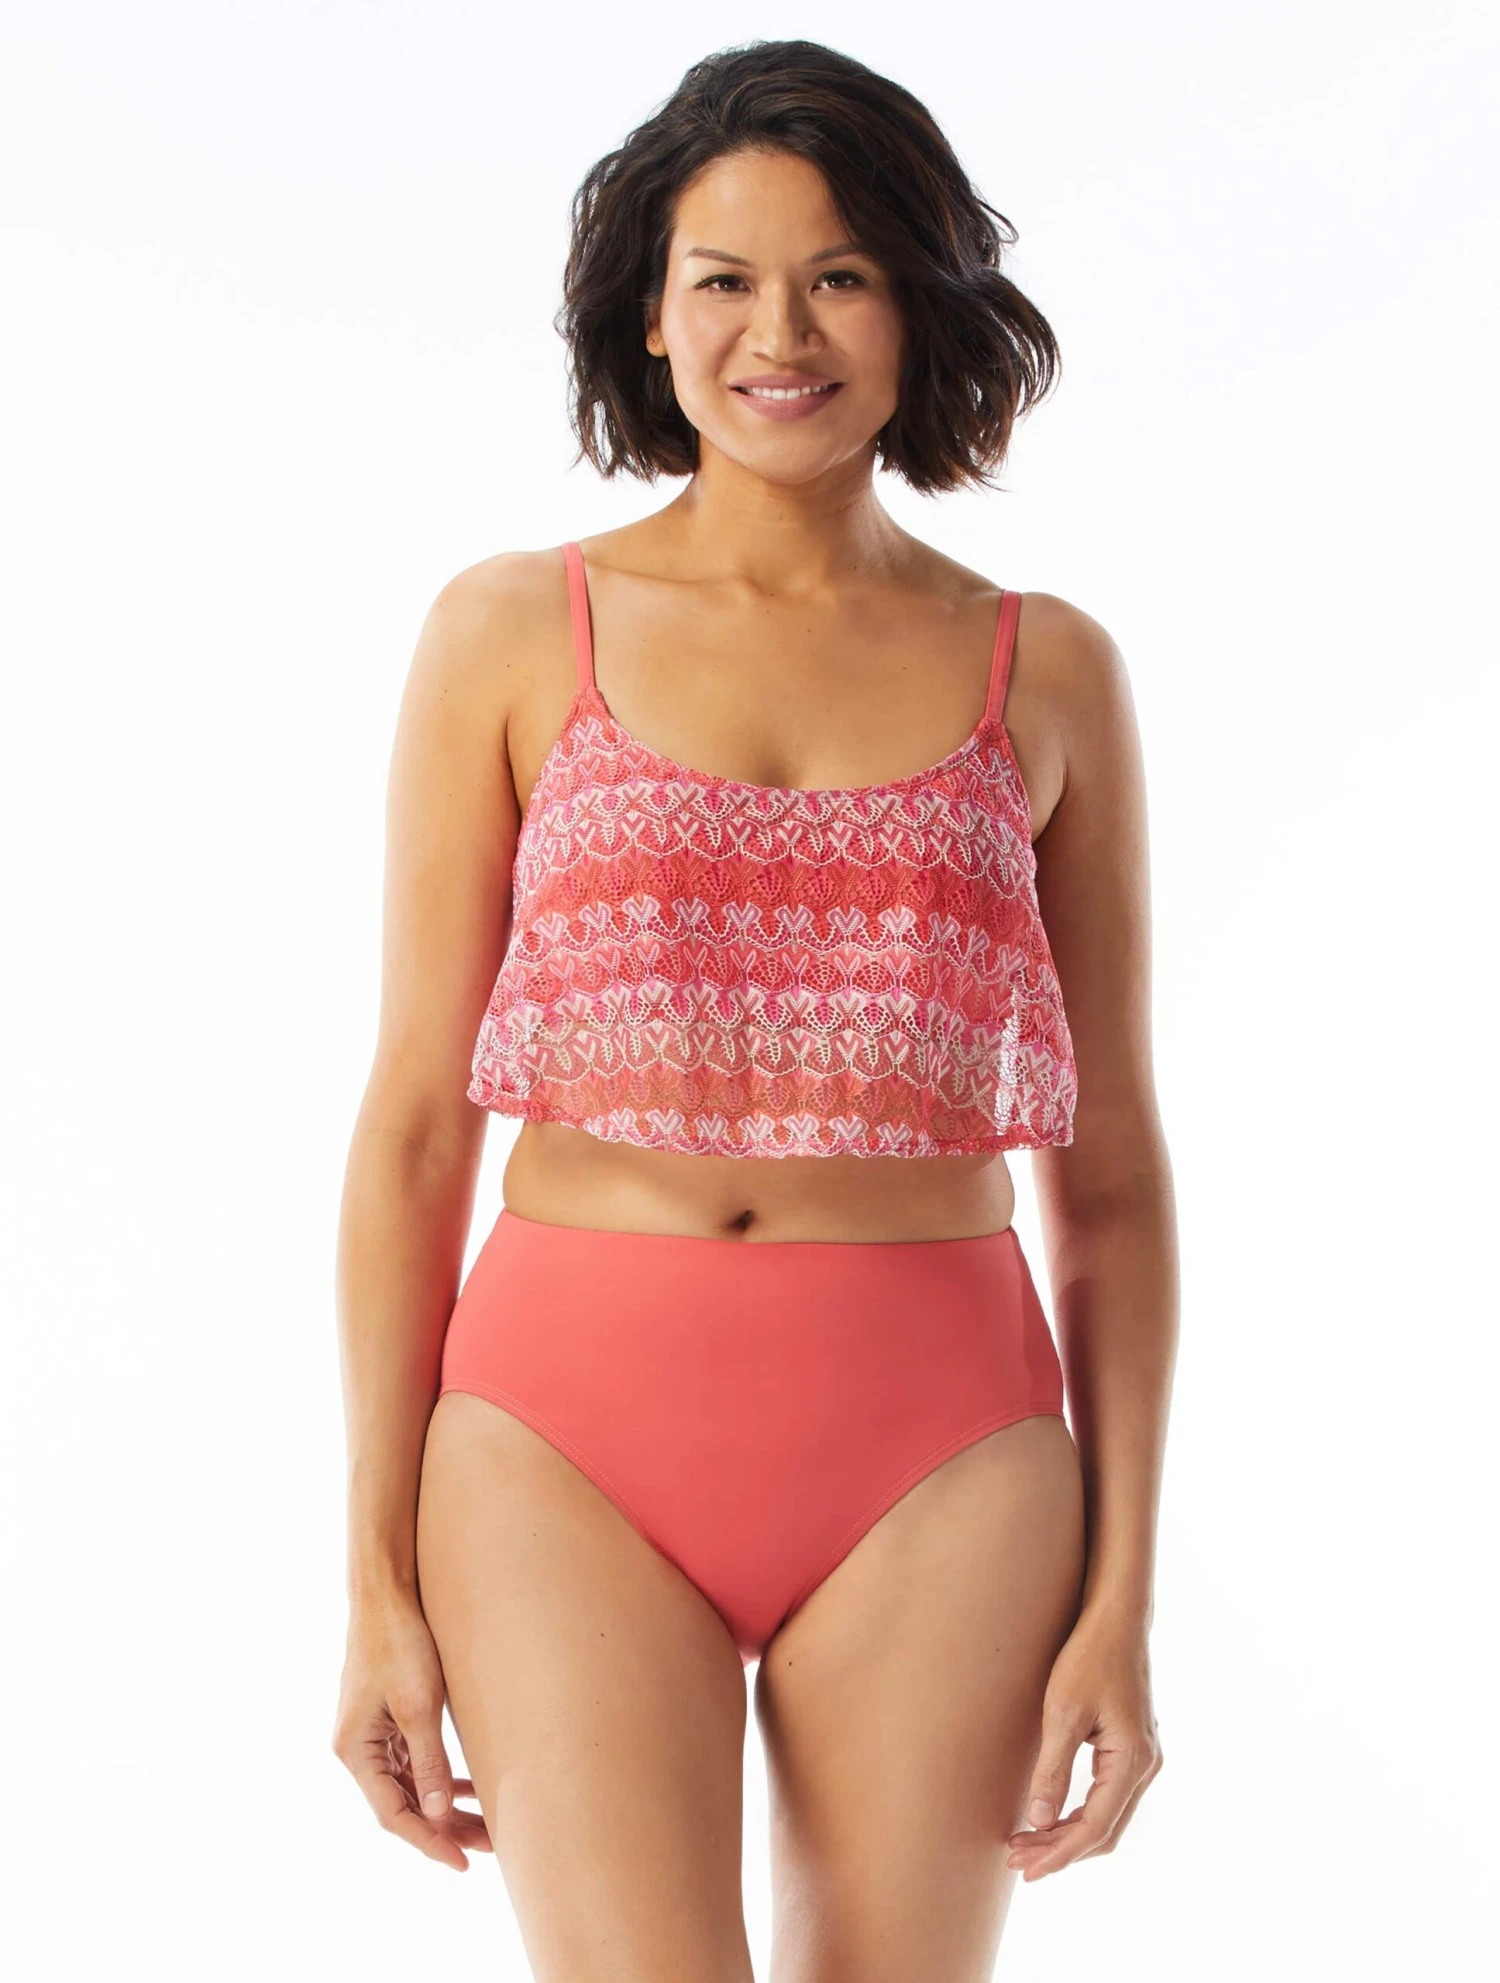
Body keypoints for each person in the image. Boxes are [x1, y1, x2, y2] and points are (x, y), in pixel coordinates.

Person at [332, 36, 1177, 1980]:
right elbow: (412, 1128)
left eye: (841, 275)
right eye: (724, 278)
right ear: (651, 312)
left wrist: (1125, 1594)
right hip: (559, 1438)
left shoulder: (1047, 670)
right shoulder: (507, 632)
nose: (778, 333)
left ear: (919, 307)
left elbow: (1118, 1178)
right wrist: (371, 1577)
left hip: (944, 1449)